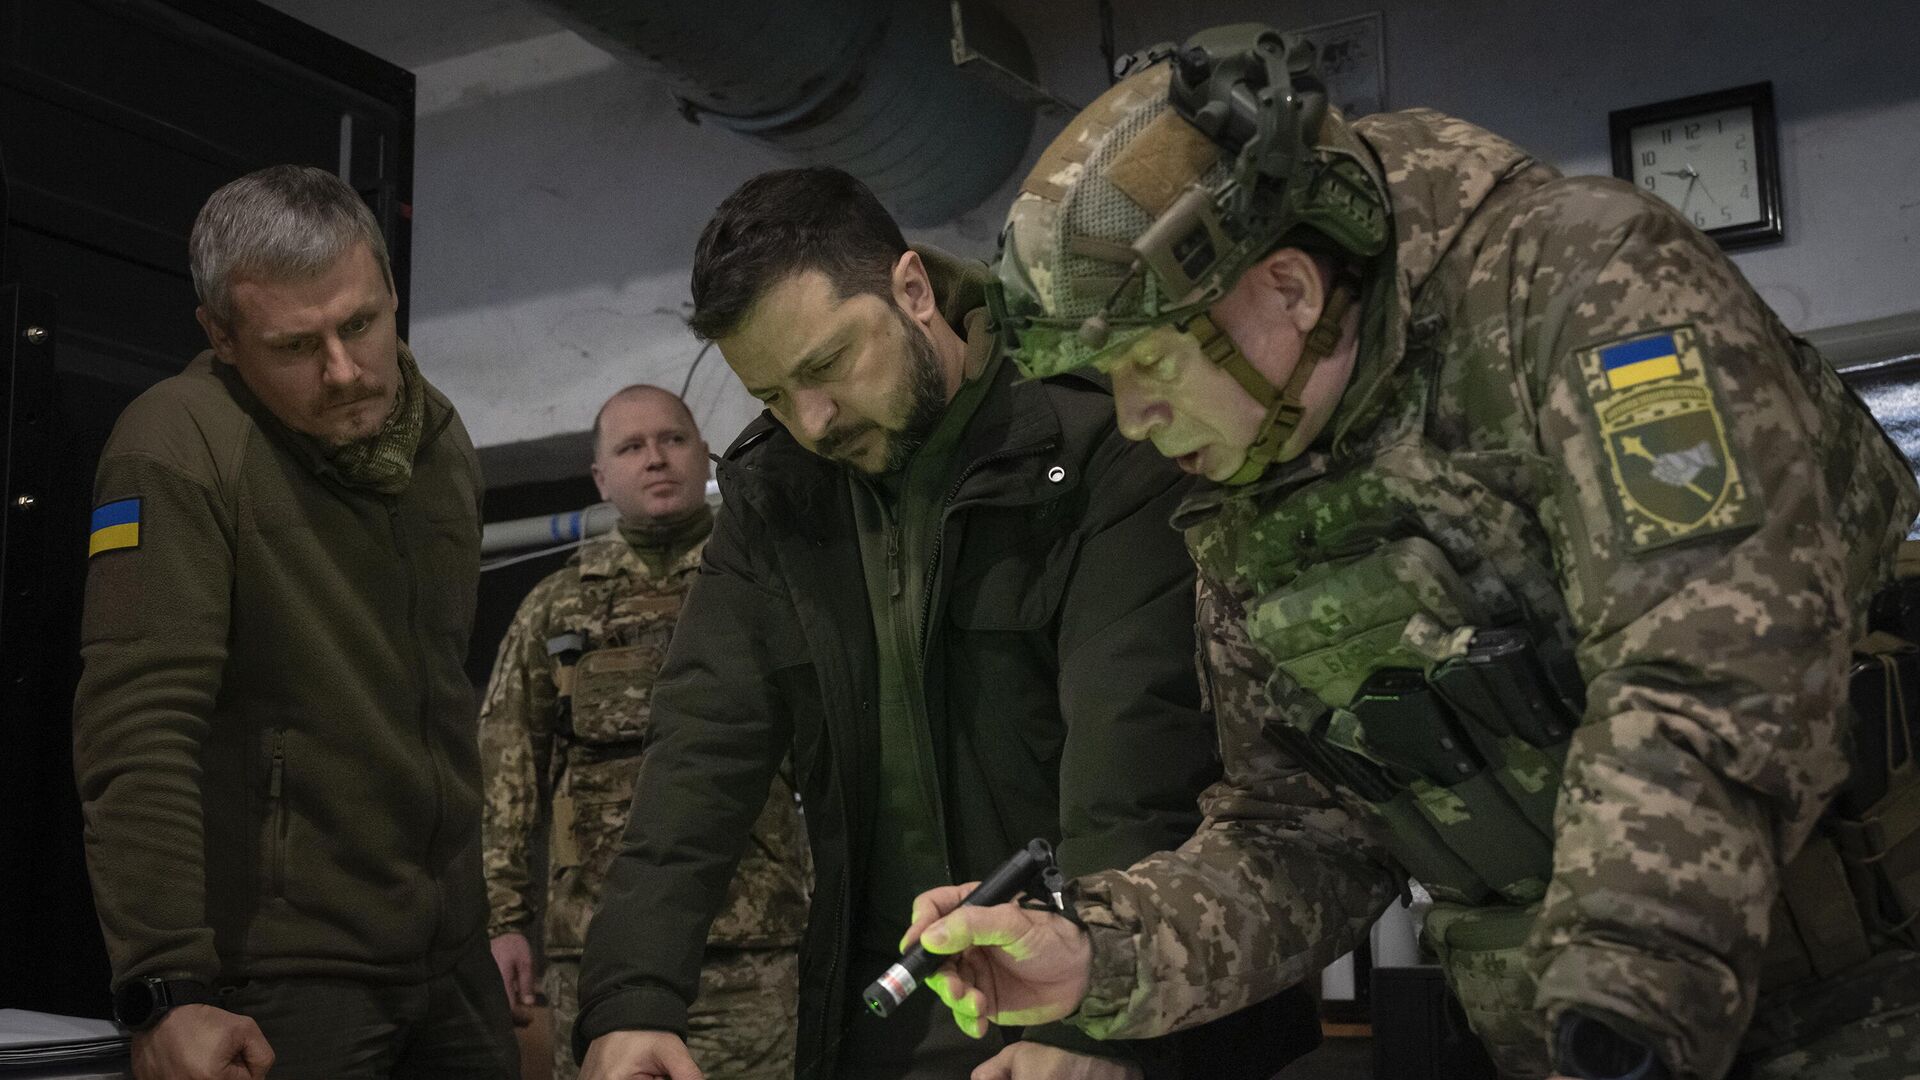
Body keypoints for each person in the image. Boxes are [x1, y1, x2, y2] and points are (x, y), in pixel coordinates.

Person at [902, 24, 1920, 1080]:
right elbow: (1303, 829)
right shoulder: (1258, 466)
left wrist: (1626, 998)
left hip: (1849, 1004)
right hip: (1570, 1040)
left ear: (1290, 289)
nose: (1135, 417)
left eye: (1150, 361)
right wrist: (1098, 952)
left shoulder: (1580, 285)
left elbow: (1711, 655)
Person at [573, 166, 1319, 1080]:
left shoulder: (1093, 438)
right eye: (771, 395)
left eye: (826, 366)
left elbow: (1134, 753)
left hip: (1127, 1014)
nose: (811, 420)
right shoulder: (779, 498)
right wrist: (633, 996)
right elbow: (700, 746)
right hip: (894, 1025)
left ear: (913, 289)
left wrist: (1090, 1021)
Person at [71, 165, 517, 1080]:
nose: (345, 371)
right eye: (295, 346)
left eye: (360, 324)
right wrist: (165, 984)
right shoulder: (177, 442)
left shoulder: (442, 444)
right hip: (282, 977)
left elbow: (440, 703)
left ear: (393, 294)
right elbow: (138, 726)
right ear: (222, 338)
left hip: (451, 963)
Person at [480, 384, 811, 1080]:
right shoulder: (555, 608)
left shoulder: (772, 586)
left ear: (704, 454)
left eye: (673, 439)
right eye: (631, 447)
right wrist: (504, 920)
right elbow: (507, 771)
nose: (655, 458)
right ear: (601, 478)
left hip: (752, 943)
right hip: (598, 949)